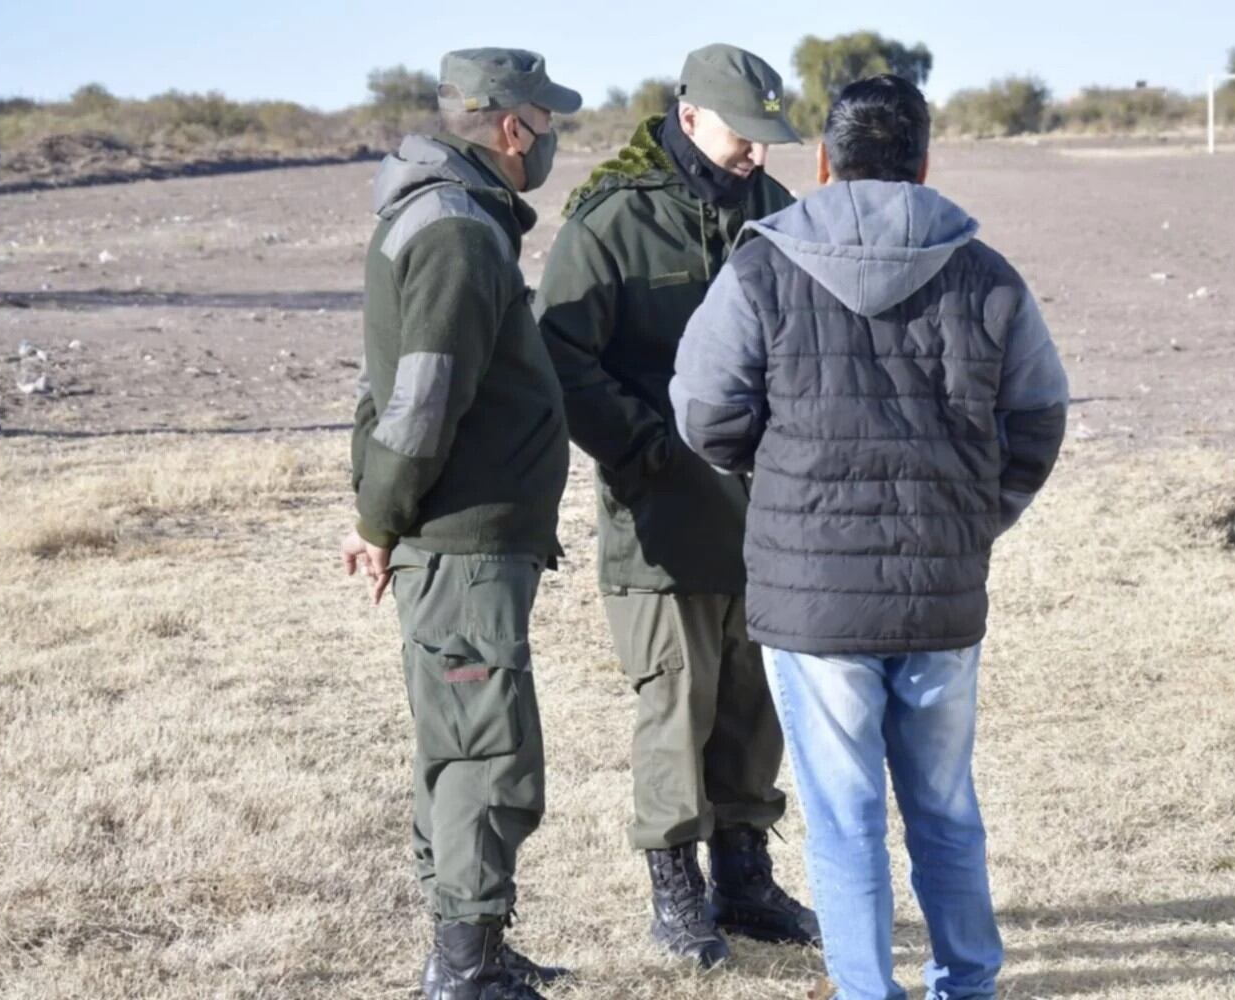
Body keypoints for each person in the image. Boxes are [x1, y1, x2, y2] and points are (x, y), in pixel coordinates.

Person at [670, 74, 1069, 1000]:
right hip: (941, 591)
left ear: (822, 163)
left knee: (842, 816)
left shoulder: (761, 267)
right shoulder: (987, 274)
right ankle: (967, 981)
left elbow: (702, 411)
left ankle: (866, 988)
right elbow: (1039, 419)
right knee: (944, 805)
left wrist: (772, 477)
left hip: (814, 604)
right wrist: (976, 516)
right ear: (925, 163)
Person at [533, 43, 818, 967]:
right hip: (660, 517)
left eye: (771, 139)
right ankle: (677, 891)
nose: (758, 155)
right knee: (677, 705)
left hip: (769, 515)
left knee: (754, 701)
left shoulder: (778, 215)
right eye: (746, 136)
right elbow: (563, 360)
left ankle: (744, 878)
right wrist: (646, 450)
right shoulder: (611, 221)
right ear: (690, 116)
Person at [342, 47, 580, 1000]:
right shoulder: (457, 232)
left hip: (460, 536)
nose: (555, 136)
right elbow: (421, 403)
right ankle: (466, 967)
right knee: (485, 744)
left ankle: (470, 945)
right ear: (513, 128)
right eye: (549, 120)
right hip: (464, 539)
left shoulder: (455, 216)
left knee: (458, 737)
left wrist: (380, 517)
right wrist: (379, 518)